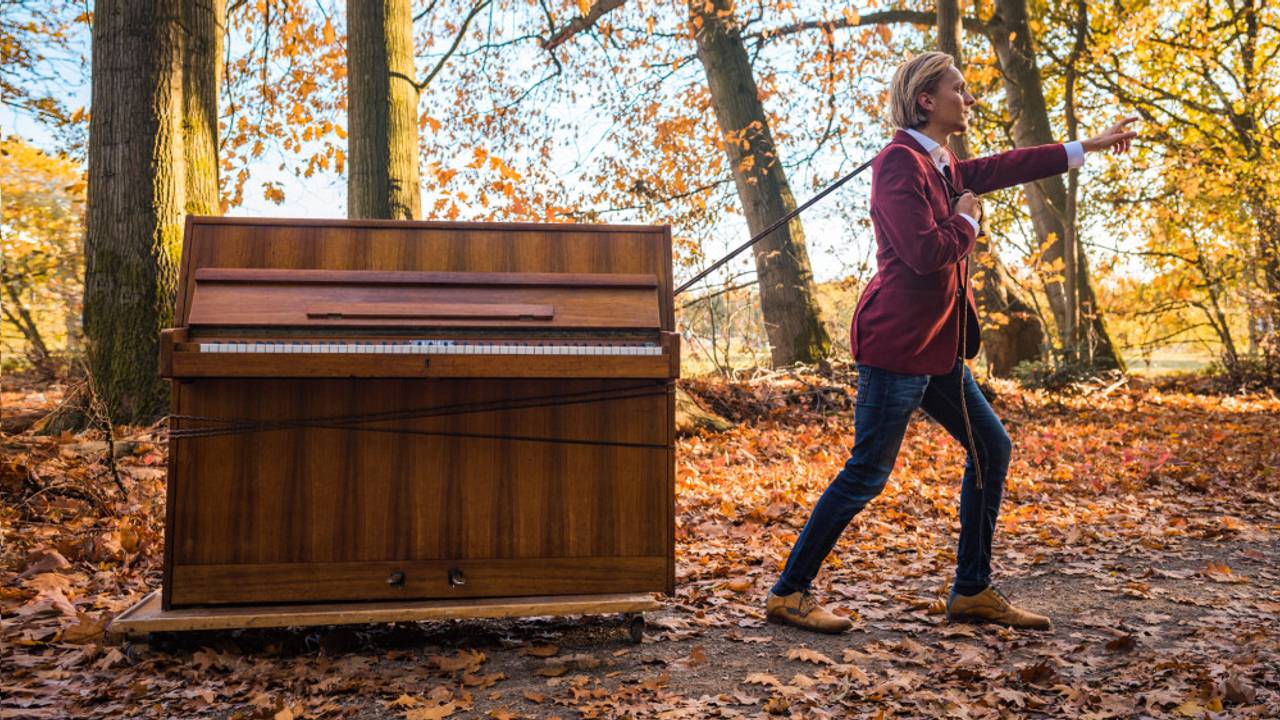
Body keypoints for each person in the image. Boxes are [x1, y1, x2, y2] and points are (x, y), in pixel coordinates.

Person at [764, 52, 1138, 633]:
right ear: (926, 102)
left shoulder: (940, 162)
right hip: (895, 348)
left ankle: (971, 590)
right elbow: (922, 255)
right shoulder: (898, 165)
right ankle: (789, 593)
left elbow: (1003, 166)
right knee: (866, 473)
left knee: (991, 450)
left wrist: (1083, 147)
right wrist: (968, 223)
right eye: (959, 89)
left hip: (937, 351)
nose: (969, 99)